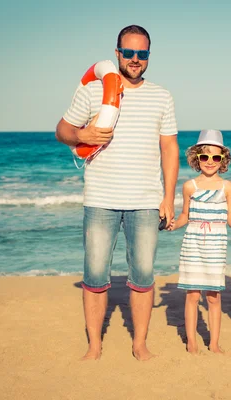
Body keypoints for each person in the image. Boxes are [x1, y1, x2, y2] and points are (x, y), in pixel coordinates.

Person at [55, 25, 179, 361]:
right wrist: (84, 133)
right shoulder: (93, 92)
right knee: (95, 276)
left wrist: (169, 197)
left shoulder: (162, 96)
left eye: (143, 54)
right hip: (100, 200)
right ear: (117, 53)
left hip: (145, 202)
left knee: (143, 277)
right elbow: (62, 130)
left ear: (148, 56)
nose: (136, 59)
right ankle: (94, 346)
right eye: (130, 53)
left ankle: (139, 345)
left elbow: (169, 148)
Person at [168, 130, 231, 354]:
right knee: (192, 295)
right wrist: (172, 224)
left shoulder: (227, 187)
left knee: (213, 296)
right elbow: (184, 215)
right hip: (192, 244)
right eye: (204, 156)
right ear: (196, 158)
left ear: (223, 160)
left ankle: (214, 343)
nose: (210, 161)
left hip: (215, 247)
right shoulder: (189, 186)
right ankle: (192, 341)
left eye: (215, 157)